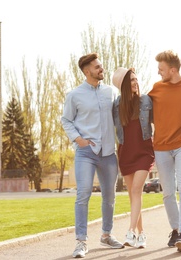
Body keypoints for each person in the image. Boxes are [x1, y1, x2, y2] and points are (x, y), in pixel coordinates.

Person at [61, 53, 124, 258]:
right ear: (87, 71)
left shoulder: (111, 92)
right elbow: (66, 120)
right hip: (86, 152)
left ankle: (106, 235)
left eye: (101, 66)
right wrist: (78, 139)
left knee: (110, 196)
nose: (101, 69)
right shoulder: (75, 95)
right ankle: (81, 241)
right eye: (97, 67)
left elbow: (119, 117)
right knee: (83, 194)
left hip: (108, 152)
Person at [148, 50, 181, 253]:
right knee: (168, 192)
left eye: (161, 69)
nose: (158, 72)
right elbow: (141, 106)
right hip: (161, 147)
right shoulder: (157, 88)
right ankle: (176, 229)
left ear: (173, 69)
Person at [112, 67, 155, 249]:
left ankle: (130, 232)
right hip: (126, 153)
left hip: (144, 153)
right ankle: (142, 234)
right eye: (131, 80)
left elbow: (158, 121)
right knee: (133, 195)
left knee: (136, 190)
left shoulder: (146, 100)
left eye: (136, 79)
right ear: (122, 85)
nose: (136, 83)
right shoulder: (116, 105)